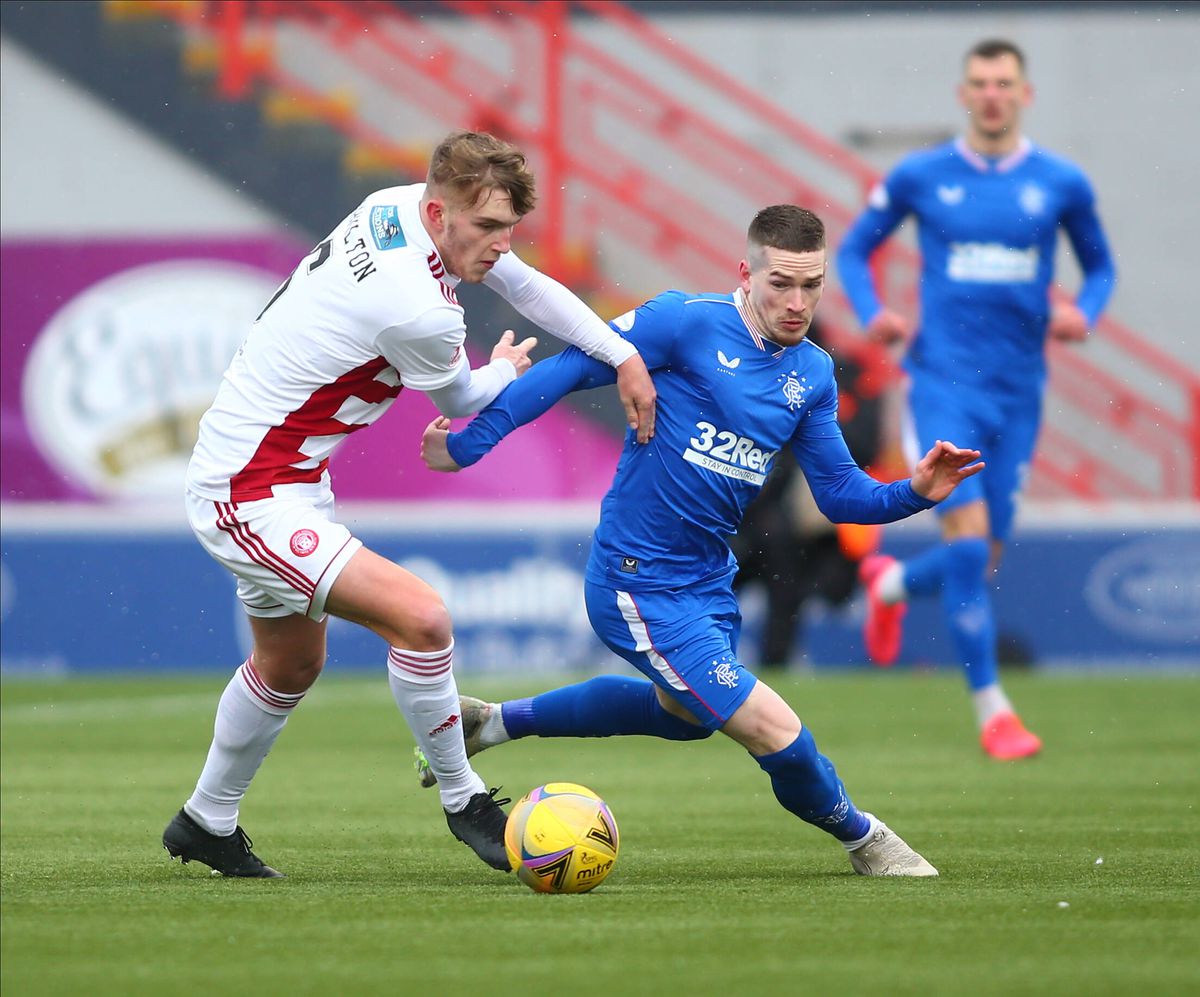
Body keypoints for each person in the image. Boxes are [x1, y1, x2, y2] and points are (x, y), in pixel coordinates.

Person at [418, 205, 985, 876]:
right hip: (635, 579)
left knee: (684, 716)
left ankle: (492, 723)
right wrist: (471, 442)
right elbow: (571, 367)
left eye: (811, 286)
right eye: (781, 283)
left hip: (707, 581)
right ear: (746, 274)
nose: (797, 303)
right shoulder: (683, 322)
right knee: (773, 728)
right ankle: (868, 840)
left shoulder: (812, 373)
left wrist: (914, 491)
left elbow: (838, 494)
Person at [162, 130, 657, 878]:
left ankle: (205, 821)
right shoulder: (418, 308)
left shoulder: (393, 206)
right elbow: (461, 399)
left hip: (284, 477)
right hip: (248, 489)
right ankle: (465, 800)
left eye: (508, 228)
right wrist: (502, 369)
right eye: (486, 227)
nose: (500, 245)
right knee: (422, 619)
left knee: (290, 662)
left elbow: (525, 285)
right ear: (439, 213)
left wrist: (622, 353)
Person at [836, 39, 1116, 760]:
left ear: (1025, 94)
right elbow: (854, 249)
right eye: (981, 83)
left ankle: (889, 585)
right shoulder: (923, 174)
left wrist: (1084, 312)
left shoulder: (1060, 181)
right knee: (966, 549)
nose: (992, 94)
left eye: (1004, 83)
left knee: (979, 557)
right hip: (943, 384)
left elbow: (1101, 268)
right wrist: (872, 311)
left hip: (1019, 395)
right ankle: (995, 712)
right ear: (963, 95)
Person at [730, 321, 885, 666]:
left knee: (790, 589)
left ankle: (771, 661)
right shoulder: (756, 375)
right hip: (759, 511)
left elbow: (865, 446)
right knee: (730, 580)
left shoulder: (846, 377)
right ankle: (705, 653)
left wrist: (812, 419)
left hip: (819, 522)